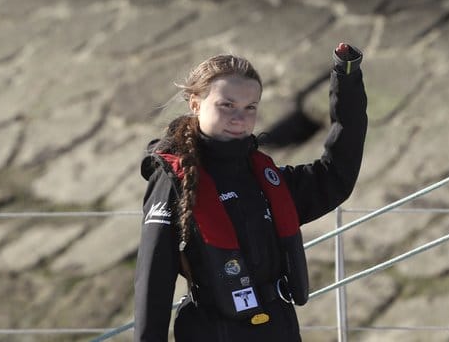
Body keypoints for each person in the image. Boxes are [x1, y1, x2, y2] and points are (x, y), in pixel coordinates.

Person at [134, 42, 368, 342]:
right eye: (226, 105)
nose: (239, 117)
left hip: (279, 328)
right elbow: (152, 285)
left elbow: (337, 176)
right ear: (195, 103)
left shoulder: (266, 180)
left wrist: (346, 80)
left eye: (250, 107)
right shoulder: (173, 180)